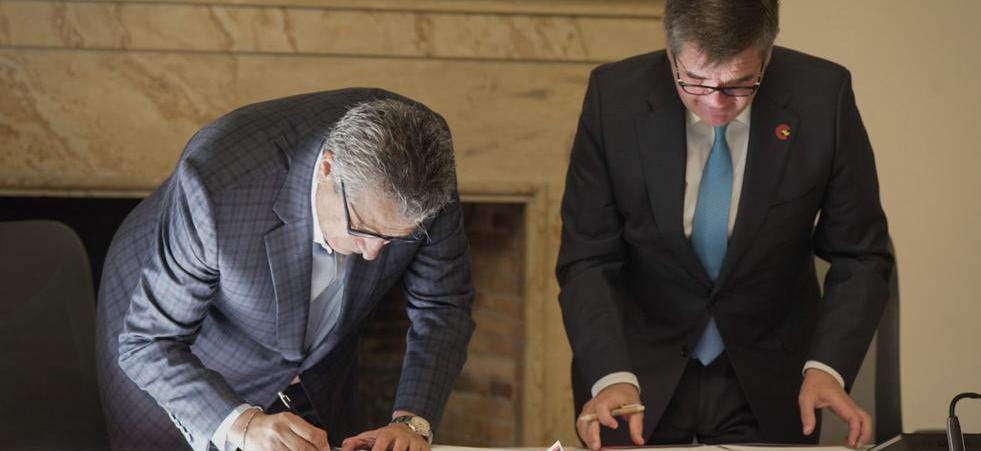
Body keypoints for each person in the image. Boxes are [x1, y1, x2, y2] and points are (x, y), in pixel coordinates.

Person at [556, 0, 893, 448]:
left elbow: (861, 254)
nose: (715, 101)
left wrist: (826, 367)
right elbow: (588, 257)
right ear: (671, 51)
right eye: (694, 80)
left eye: (739, 84)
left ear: (767, 55)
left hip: (772, 375)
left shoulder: (822, 96)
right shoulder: (613, 97)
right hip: (633, 374)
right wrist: (610, 373)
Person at [95, 88, 475, 451]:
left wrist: (412, 422)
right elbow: (148, 343)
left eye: (397, 239)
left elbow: (442, 307)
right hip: (184, 349)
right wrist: (243, 424)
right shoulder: (217, 187)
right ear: (328, 169)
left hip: (319, 360)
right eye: (362, 229)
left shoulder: (425, 166)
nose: (374, 254)